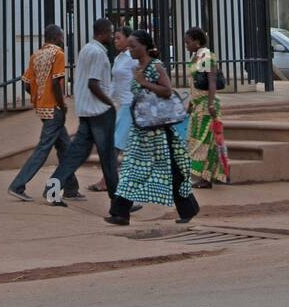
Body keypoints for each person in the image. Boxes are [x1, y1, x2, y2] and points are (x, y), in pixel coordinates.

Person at [107, 29, 199, 227]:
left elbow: (166, 90)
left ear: (145, 46)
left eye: (134, 46)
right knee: (132, 169)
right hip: (141, 128)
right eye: (129, 46)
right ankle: (120, 213)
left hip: (158, 128)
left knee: (171, 169)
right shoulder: (137, 67)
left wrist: (143, 82)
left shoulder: (155, 66)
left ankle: (188, 208)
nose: (130, 50)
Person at [46, 19, 119, 206]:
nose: (111, 37)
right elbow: (93, 83)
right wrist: (109, 103)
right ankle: (119, 201)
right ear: (102, 33)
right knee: (108, 158)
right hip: (99, 112)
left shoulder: (86, 49)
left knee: (74, 156)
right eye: (110, 33)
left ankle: (51, 190)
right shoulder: (97, 54)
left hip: (87, 111)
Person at [8, 24, 81, 201]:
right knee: (43, 149)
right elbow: (57, 83)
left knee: (65, 147)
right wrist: (61, 105)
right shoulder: (58, 54)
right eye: (62, 37)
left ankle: (71, 187)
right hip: (54, 109)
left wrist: (38, 97)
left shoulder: (36, 55)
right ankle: (17, 185)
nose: (63, 40)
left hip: (42, 108)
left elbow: (26, 84)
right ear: (56, 37)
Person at [89, 24, 135, 192]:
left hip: (130, 105)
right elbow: (114, 84)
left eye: (119, 38)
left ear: (128, 39)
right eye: (114, 38)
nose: (115, 41)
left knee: (114, 146)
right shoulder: (118, 58)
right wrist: (107, 99)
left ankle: (105, 181)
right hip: (121, 106)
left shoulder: (133, 57)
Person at [185, 26, 229, 188]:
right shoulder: (196, 56)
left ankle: (206, 177)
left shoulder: (206, 56)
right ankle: (207, 177)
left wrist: (210, 103)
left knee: (204, 141)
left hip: (206, 104)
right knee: (202, 141)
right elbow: (194, 84)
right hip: (198, 104)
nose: (186, 45)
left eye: (188, 42)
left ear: (197, 42)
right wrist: (190, 103)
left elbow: (211, 81)